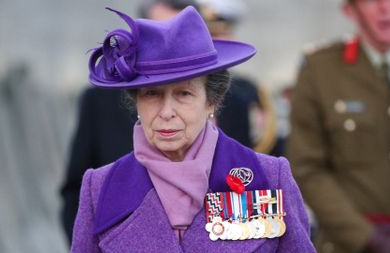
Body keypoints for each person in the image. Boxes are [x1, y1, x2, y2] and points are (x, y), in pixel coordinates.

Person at [70, 6, 315, 252]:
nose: (166, 112)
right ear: (136, 102)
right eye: (152, 94)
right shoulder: (100, 188)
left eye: (184, 94)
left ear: (212, 101)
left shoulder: (271, 178)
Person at [59, 0, 200, 243]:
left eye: (176, 34)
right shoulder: (100, 102)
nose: (167, 111)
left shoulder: (234, 102)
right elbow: (76, 191)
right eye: (159, 31)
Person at [287, 0, 390, 253]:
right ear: (350, 10)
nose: (385, 8)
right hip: (351, 244)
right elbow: (307, 167)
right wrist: (368, 239)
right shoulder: (321, 70)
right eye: (372, 1)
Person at [198, 0, 283, 155]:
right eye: (211, 35)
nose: (217, 43)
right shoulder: (169, 86)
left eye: (224, 34)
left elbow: (265, 143)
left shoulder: (249, 89)